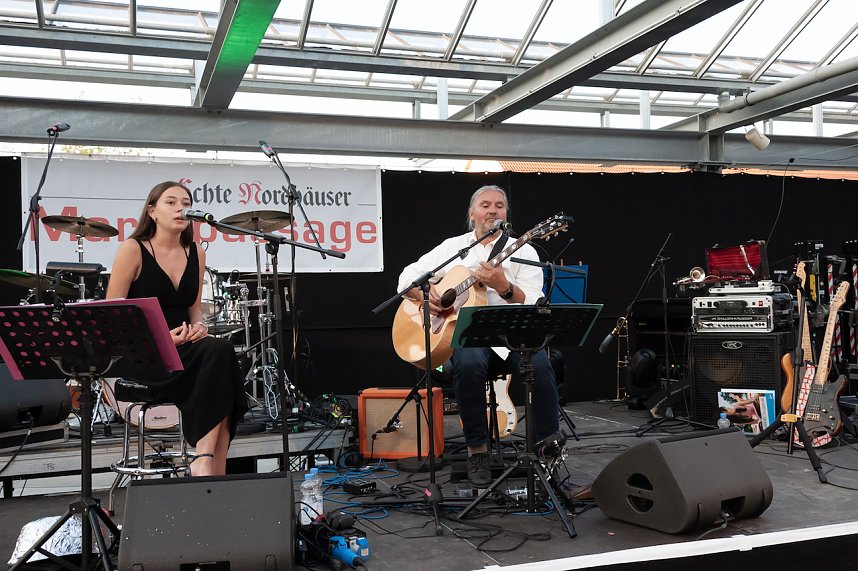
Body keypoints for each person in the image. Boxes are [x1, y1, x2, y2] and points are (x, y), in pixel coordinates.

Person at [397, 184, 559, 487]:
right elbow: (406, 277)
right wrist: (426, 297)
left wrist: (504, 287)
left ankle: (548, 449)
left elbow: (536, 302)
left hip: (513, 337)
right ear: (472, 213)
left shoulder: (524, 250)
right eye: (485, 205)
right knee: (469, 362)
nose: (493, 210)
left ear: (507, 213)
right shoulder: (453, 248)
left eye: (500, 205)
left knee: (541, 367)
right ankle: (477, 451)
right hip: (470, 336)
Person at [106, 181, 248, 476]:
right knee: (219, 360)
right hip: (146, 354)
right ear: (152, 211)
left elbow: (194, 308)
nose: (181, 208)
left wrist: (199, 328)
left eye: (185, 202)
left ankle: (206, 464)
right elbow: (113, 317)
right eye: (171, 202)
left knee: (219, 353)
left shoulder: (196, 252)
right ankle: (206, 462)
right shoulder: (133, 249)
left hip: (188, 349)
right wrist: (159, 339)